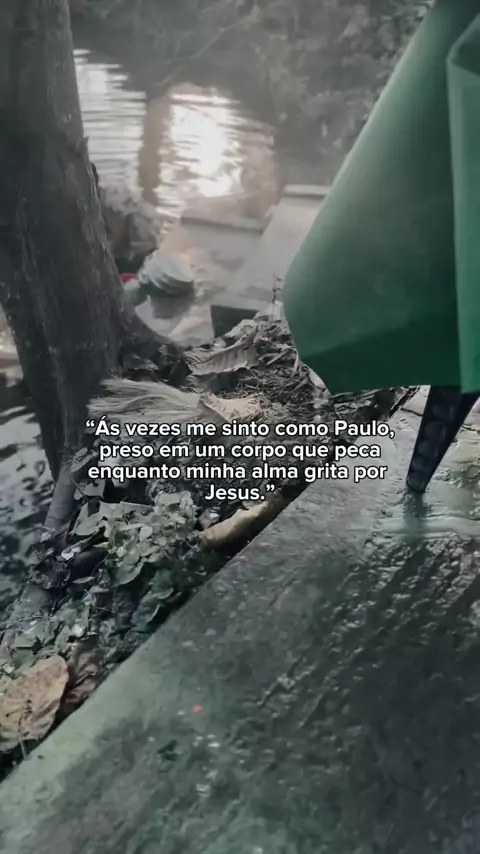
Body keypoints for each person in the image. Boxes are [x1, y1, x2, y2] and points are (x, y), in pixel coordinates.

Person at [90, 162, 160, 274]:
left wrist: (101, 258)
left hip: (142, 248)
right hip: (146, 236)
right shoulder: (102, 193)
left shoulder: (111, 202)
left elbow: (119, 236)